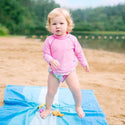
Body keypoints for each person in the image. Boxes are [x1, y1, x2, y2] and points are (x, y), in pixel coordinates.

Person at [40, 8, 89, 119]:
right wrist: (51, 60)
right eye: (54, 23)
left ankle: (78, 106)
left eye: (61, 23)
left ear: (68, 24)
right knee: (51, 92)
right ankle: (48, 108)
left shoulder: (72, 39)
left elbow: (79, 53)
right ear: (50, 25)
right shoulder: (49, 40)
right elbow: (45, 54)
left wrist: (84, 62)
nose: (58, 26)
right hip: (54, 72)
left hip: (69, 71)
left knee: (75, 89)